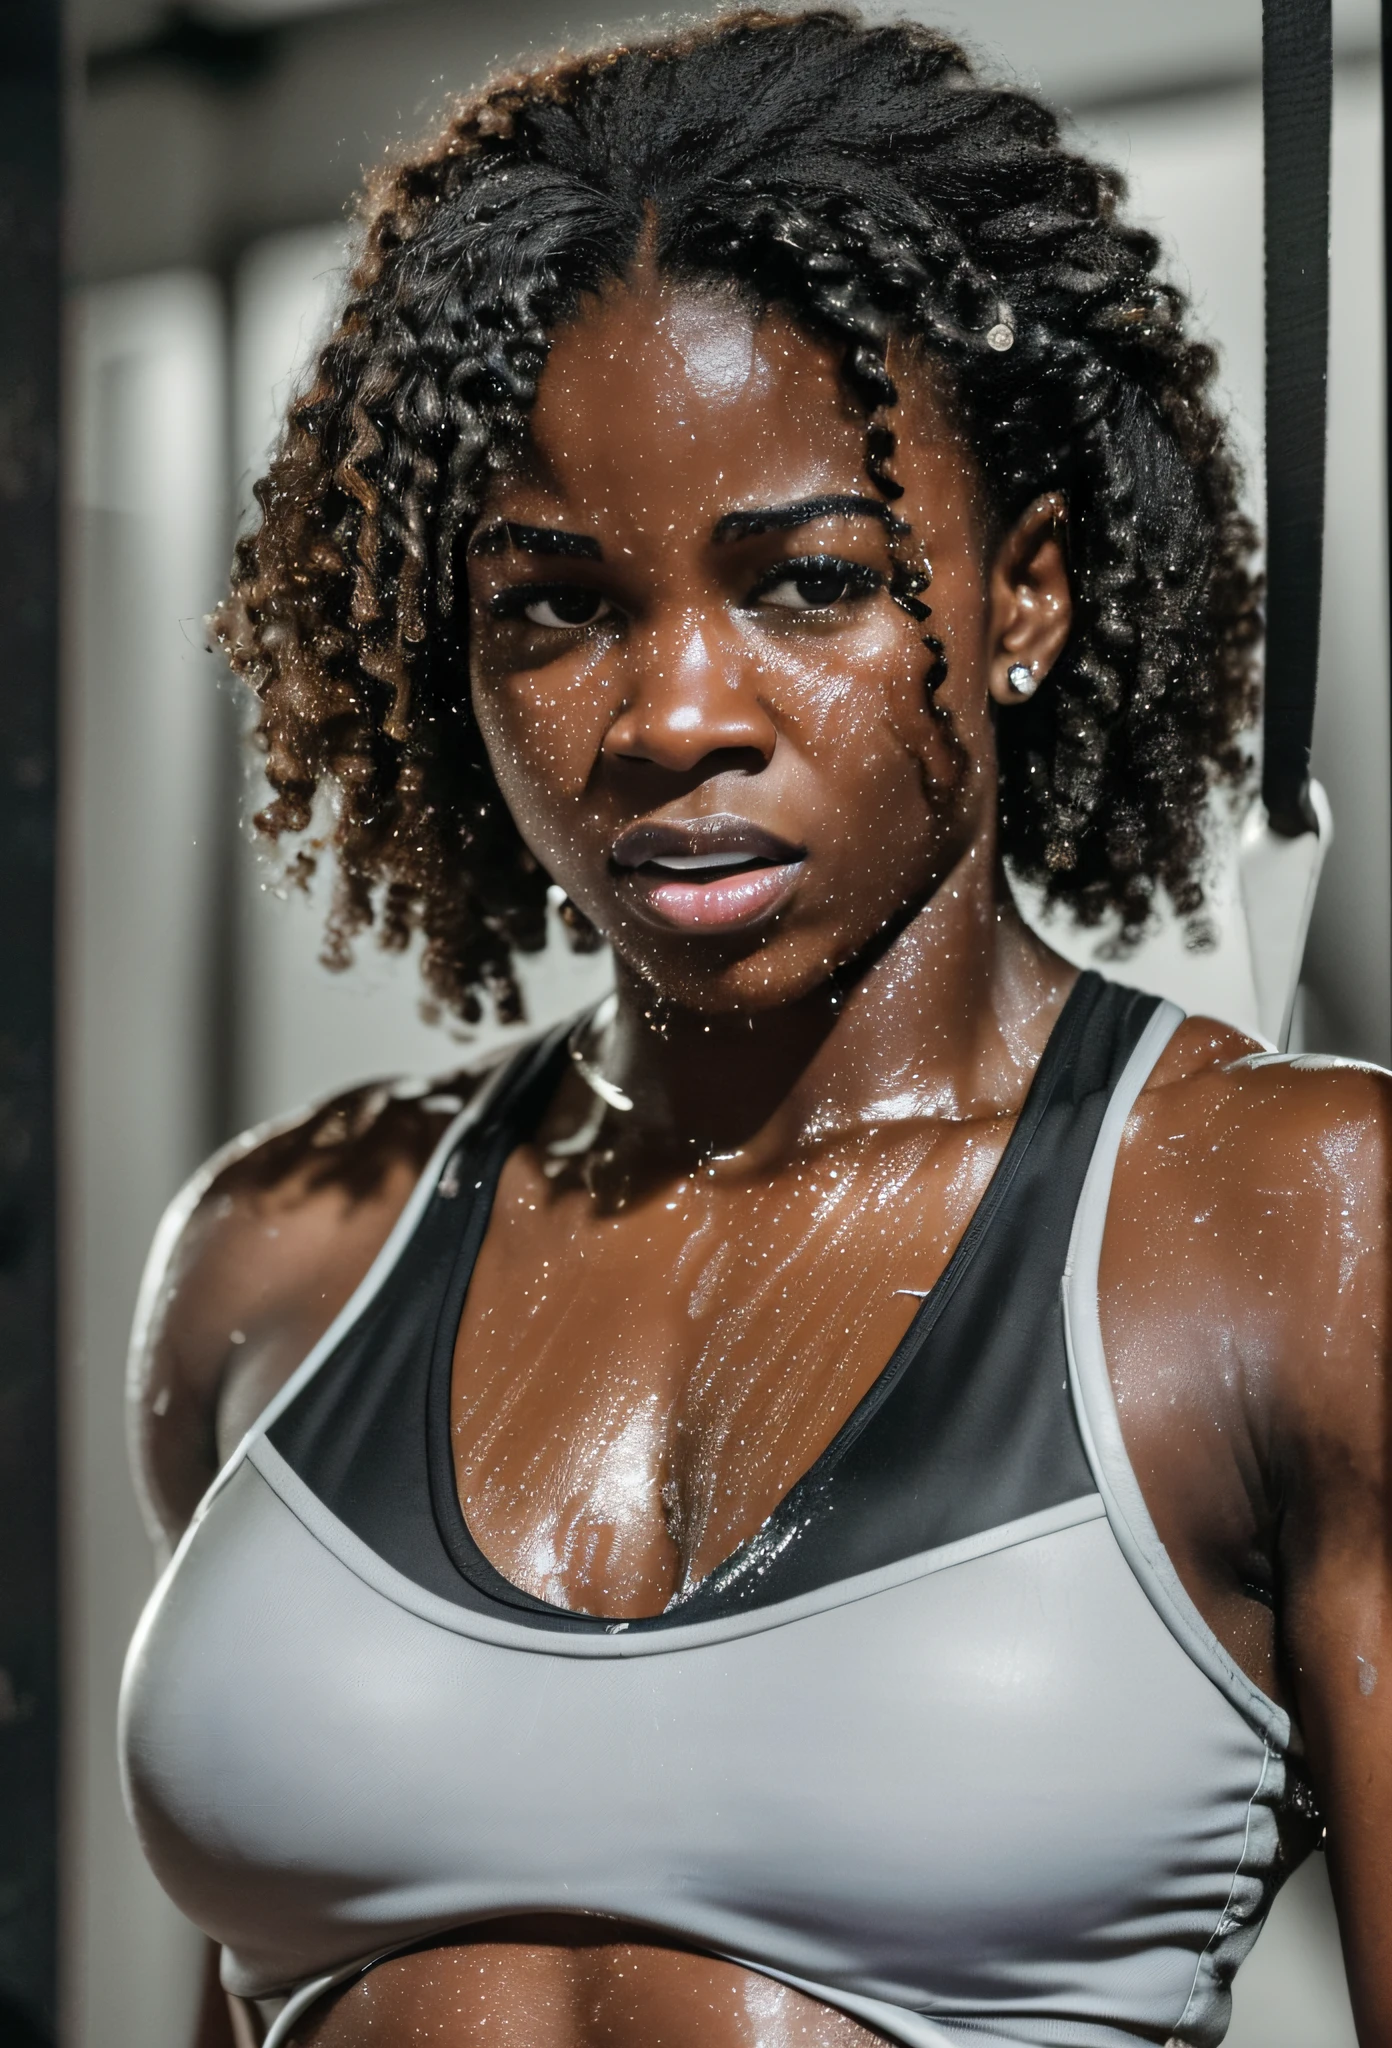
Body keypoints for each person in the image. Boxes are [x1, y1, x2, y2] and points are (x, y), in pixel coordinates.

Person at [119, 11, 1392, 2047]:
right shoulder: (283, 1261)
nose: (672, 714)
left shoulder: (1293, 1230)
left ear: (1026, 596)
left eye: (807, 584)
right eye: (555, 604)